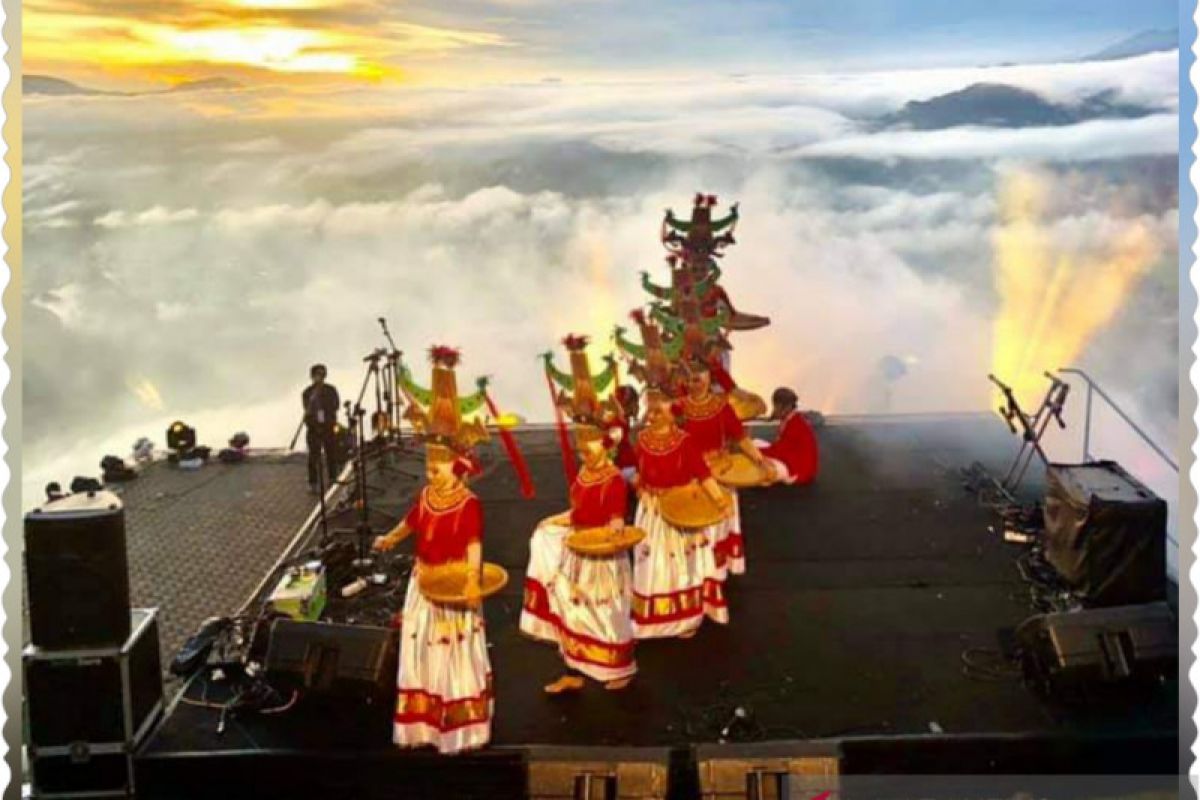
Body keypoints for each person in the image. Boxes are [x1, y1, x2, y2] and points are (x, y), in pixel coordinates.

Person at [372, 346, 494, 755]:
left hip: (456, 583)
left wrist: (473, 583)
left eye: (437, 470)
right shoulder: (427, 496)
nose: (430, 475)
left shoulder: (468, 504)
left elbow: (474, 544)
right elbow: (412, 522)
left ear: (457, 468)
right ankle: (422, 725)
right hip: (423, 581)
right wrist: (391, 537)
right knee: (419, 647)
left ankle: (460, 727)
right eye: (428, 468)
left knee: (452, 652)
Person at [539, 422, 637, 694]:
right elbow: (577, 511)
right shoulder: (583, 474)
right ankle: (573, 671)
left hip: (602, 555)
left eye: (589, 449)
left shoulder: (614, 479)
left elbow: (616, 516)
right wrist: (552, 521)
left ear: (606, 446)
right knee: (573, 612)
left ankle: (621, 667)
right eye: (580, 452)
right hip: (578, 552)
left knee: (609, 613)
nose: (584, 456)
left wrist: (614, 532)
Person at [631, 389, 731, 639]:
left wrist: (719, 499)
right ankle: (652, 620)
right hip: (653, 511)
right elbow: (638, 474)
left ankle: (685, 618)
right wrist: (641, 490)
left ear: (671, 414)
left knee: (681, 566)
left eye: (659, 411)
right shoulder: (642, 439)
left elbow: (703, 474)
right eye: (652, 411)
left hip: (680, 510)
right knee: (652, 564)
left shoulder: (685, 441)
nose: (653, 416)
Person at [679, 360, 770, 579]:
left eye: (701, 377)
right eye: (692, 379)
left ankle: (715, 576)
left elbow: (740, 438)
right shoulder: (679, 408)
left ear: (709, 378)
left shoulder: (721, 406)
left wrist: (761, 461)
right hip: (690, 477)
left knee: (717, 527)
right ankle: (695, 577)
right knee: (693, 529)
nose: (697, 383)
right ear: (686, 381)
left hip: (720, 474)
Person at [759, 387, 820, 486]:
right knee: (755, 443)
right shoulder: (791, 418)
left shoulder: (796, 425)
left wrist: (754, 451)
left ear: (785, 406)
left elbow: (779, 451)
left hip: (798, 471)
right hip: (792, 459)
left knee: (760, 466)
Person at [301, 364, 341, 493]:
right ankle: (313, 483)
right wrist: (314, 400)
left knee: (331, 453)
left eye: (322, 374)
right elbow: (307, 409)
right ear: (312, 376)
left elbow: (335, 405)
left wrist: (323, 404)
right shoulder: (307, 392)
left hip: (328, 426)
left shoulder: (330, 390)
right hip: (314, 428)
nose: (320, 377)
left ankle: (333, 478)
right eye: (317, 374)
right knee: (314, 456)